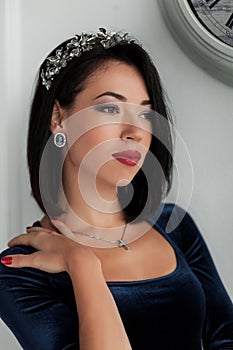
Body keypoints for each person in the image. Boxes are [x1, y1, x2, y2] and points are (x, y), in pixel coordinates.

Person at [0, 27, 232, 350]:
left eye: (145, 113)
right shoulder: (23, 270)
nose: (135, 131)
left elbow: (226, 335)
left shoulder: (174, 226)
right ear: (58, 117)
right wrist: (82, 266)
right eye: (110, 108)